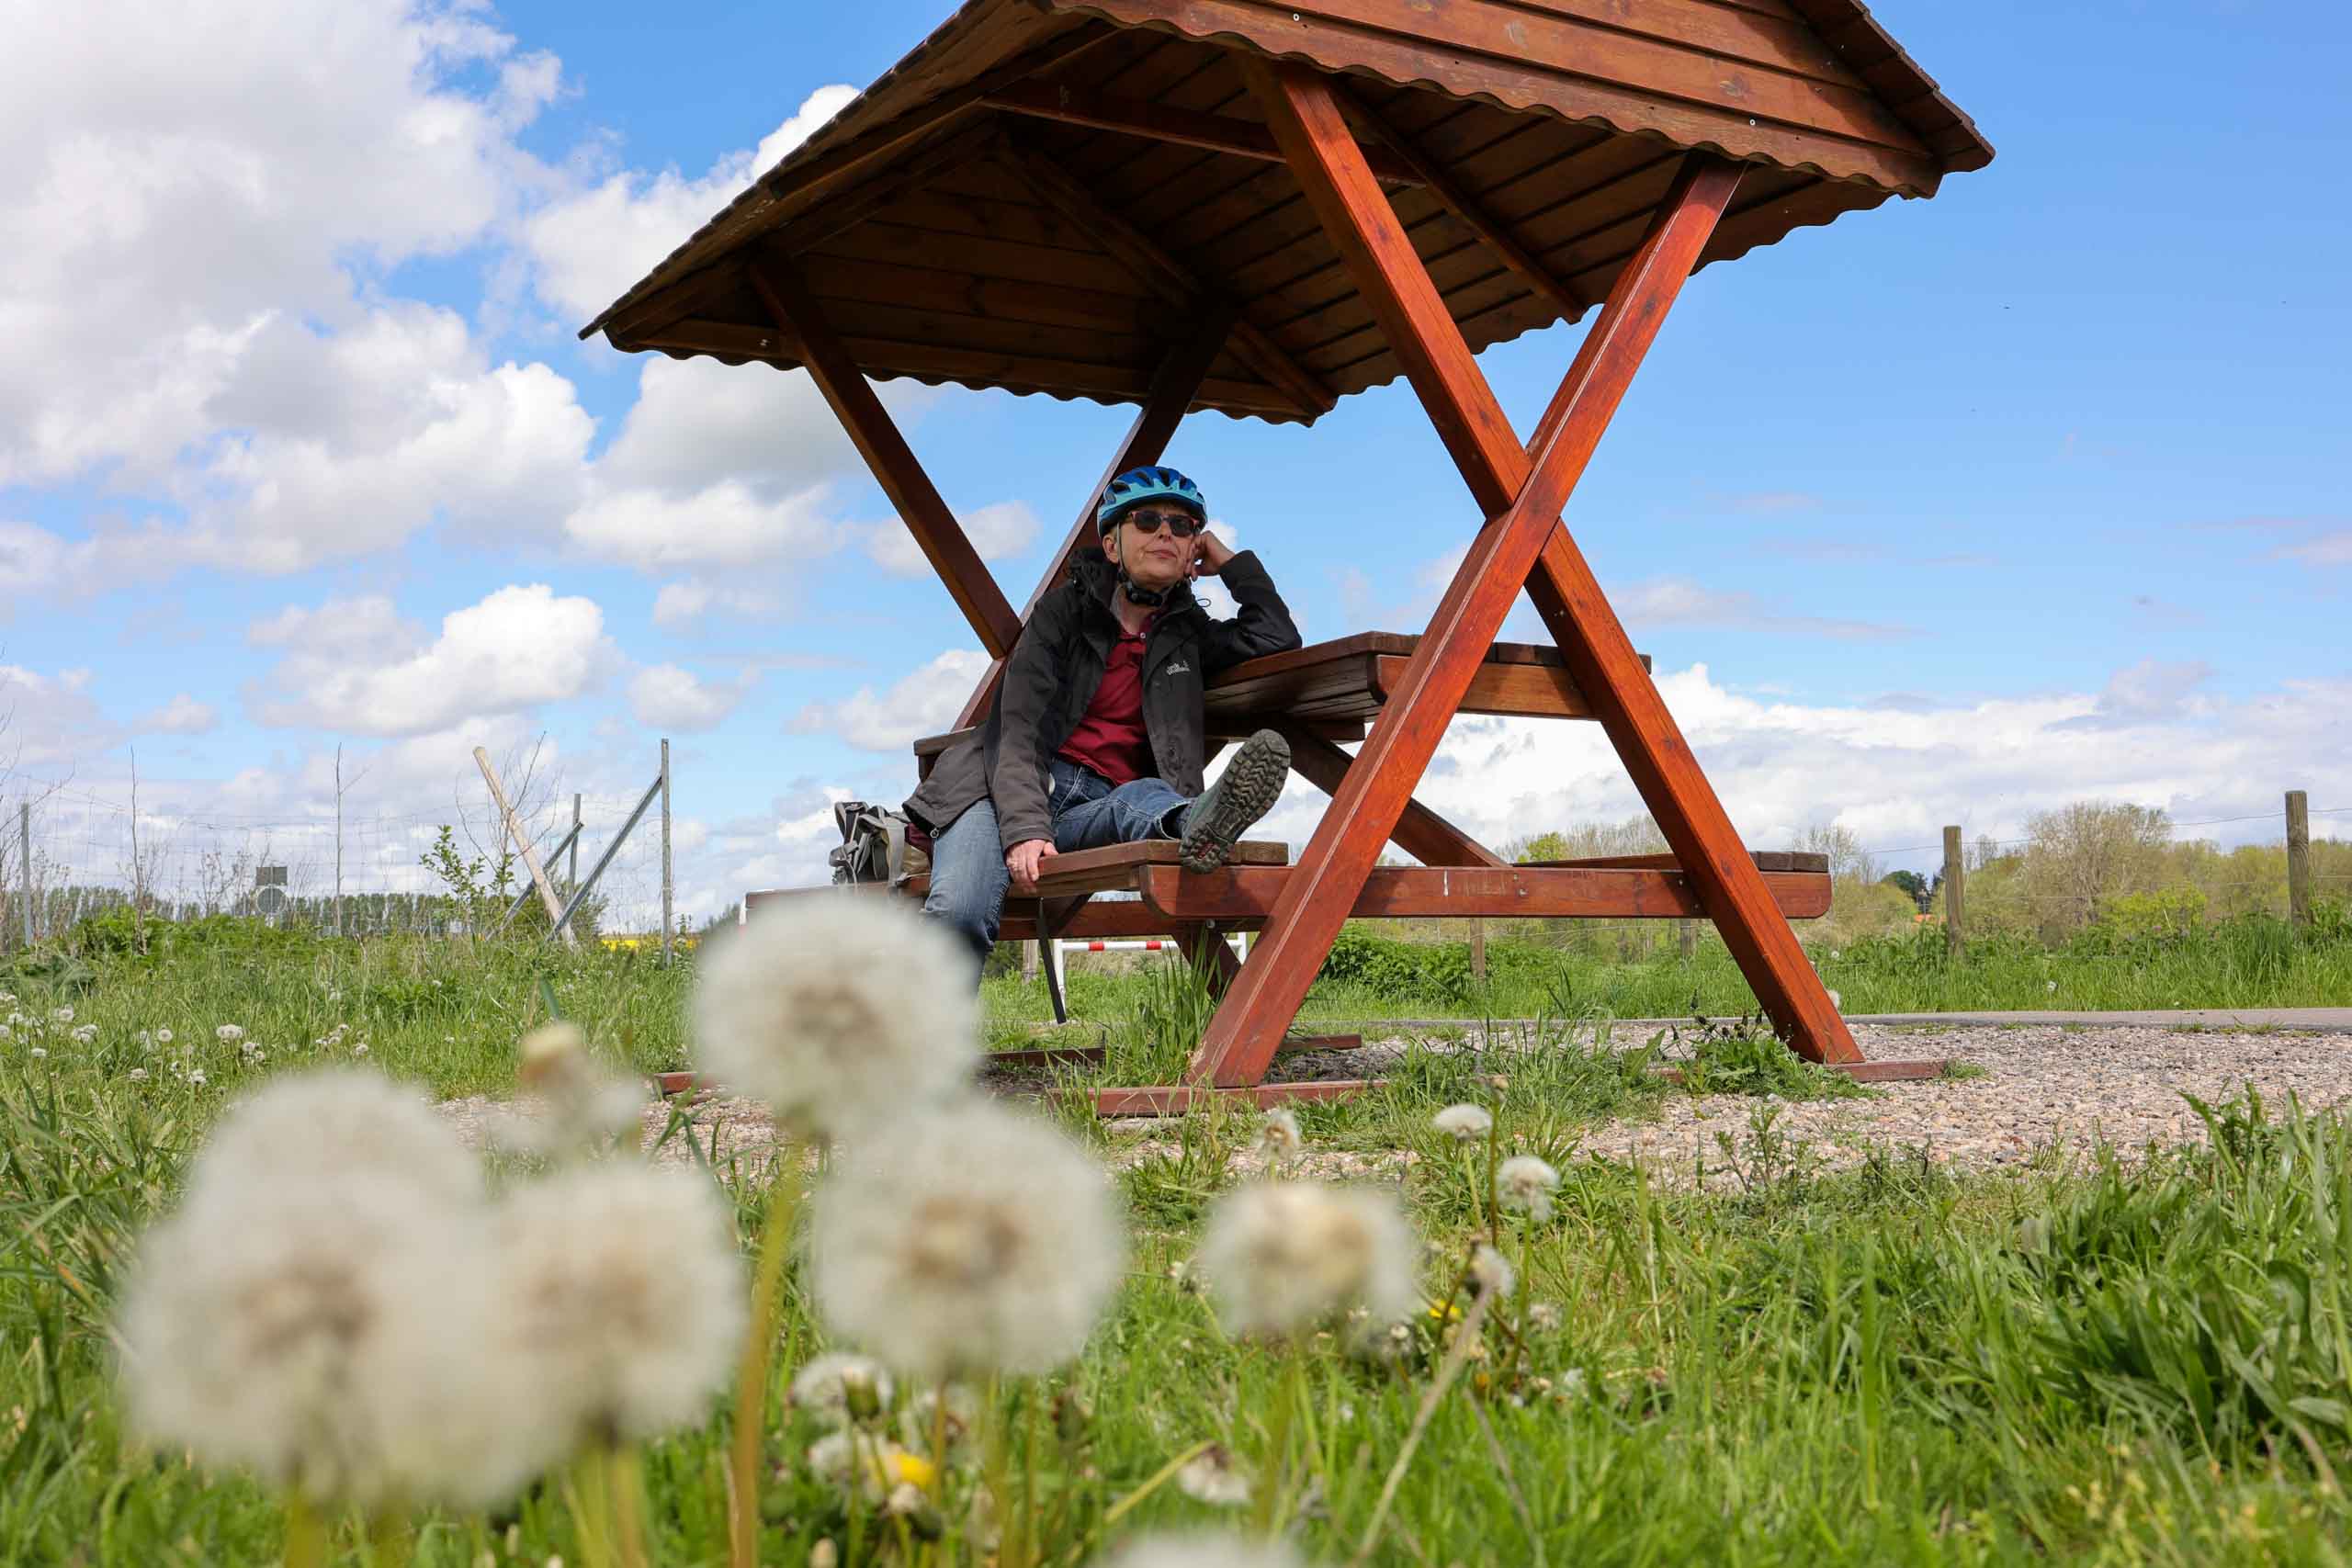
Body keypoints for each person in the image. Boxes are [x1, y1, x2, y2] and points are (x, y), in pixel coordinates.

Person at [905, 465, 1302, 967]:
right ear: (1112, 545)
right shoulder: (1061, 614)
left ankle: (1194, 822)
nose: (1166, 532)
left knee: (1142, 799)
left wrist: (1230, 562)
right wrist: (1026, 829)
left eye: (1183, 528)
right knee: (961, 909)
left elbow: (1275, 638)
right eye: (1147, 519)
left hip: (1099, 805)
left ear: (1190, 555)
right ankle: (926, 1044)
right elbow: (1018, 729)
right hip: (999, 792)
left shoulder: (1188, 634)